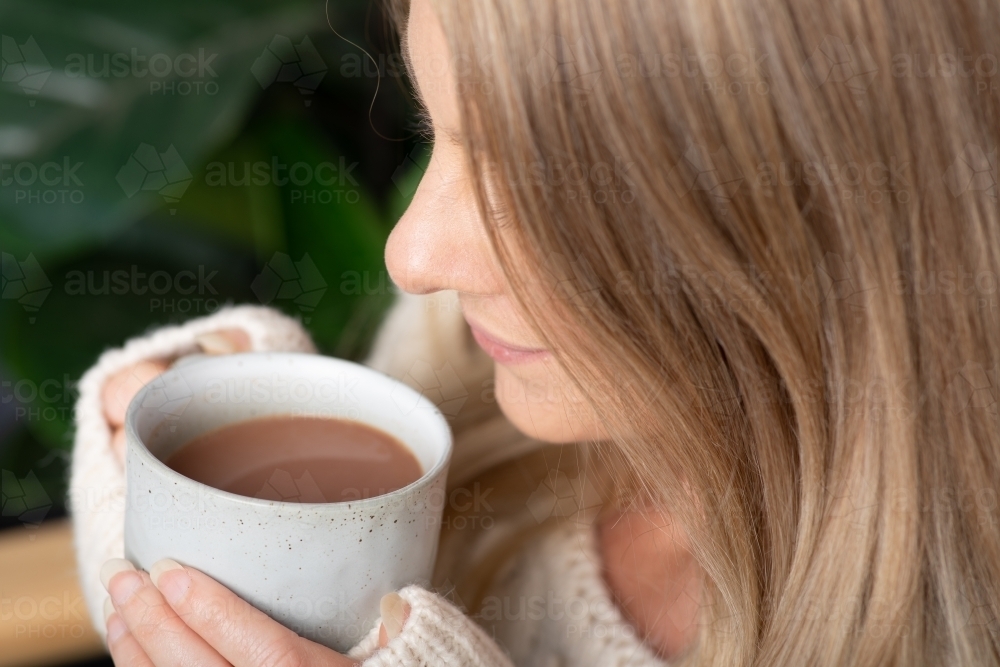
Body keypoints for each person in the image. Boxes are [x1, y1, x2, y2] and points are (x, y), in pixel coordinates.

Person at [70, 0, 1000, 664]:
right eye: (443, 136)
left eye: (541, 181)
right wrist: (192, 484)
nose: (412, 256)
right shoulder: (459, 349)